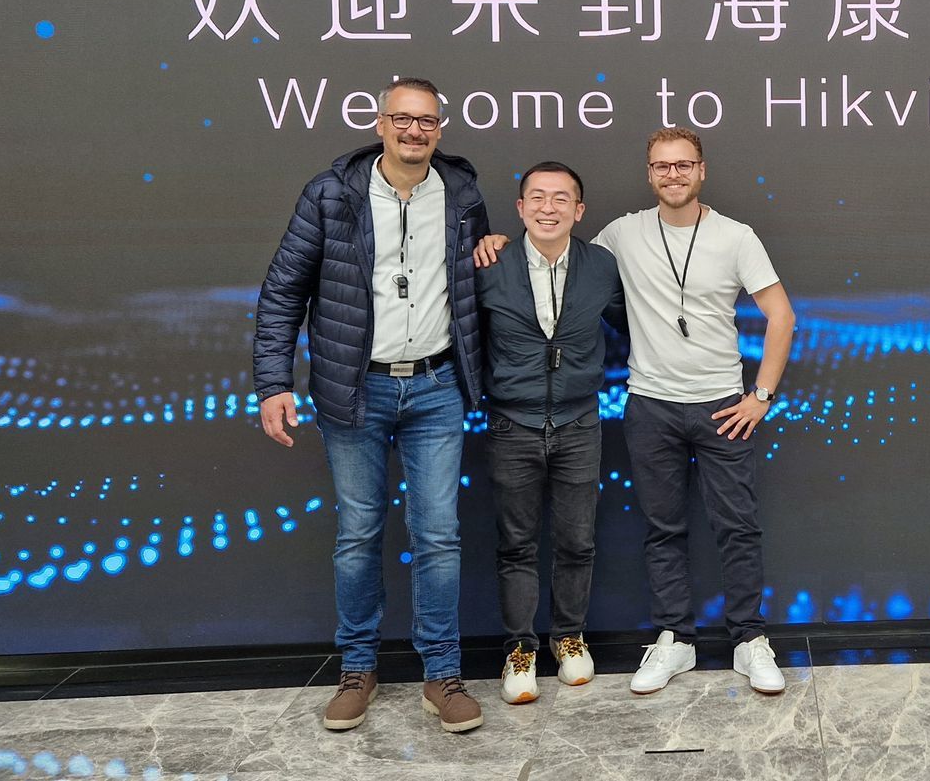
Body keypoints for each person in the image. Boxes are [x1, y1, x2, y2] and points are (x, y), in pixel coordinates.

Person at [254, 77, 490, 734]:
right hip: (354, 389)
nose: (415, 131)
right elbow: (283, 291)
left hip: (438, 387)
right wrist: (273, 383)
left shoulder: (462, 194)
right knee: (359, 533)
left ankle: (442, 674)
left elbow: (475, 283)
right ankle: (357, 668)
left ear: (439, 128)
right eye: (403, 119)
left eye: (427, 121)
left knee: (438, 534)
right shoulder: (331, 194)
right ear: (380, 124)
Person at [597, 127, 796, 695]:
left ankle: (749, 639)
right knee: (663, 529)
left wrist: (761, 397)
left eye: (684, 165)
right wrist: (501, 243)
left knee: (738, 527)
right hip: (650, 405)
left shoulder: (736, 236)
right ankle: (674, 639)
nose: (673, 175)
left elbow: (782, 317)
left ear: (702, 170)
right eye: (662, 166)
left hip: (722, 406)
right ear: (649, 173)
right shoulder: (623, 233)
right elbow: (562, 255)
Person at [474, 162, 627, 706]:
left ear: (578, 211)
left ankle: (568, 637)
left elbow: (632, 325)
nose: (548, 208)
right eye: (536, 197)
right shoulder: (489, 264)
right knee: (516, 544)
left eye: (561, 199)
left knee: (577, 542)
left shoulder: (601, 266)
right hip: (510, 424)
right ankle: (520, 649)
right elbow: (465, 337)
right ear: (520, 208)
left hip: (580, 422)